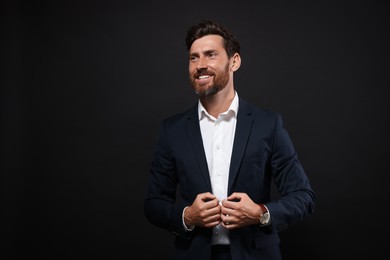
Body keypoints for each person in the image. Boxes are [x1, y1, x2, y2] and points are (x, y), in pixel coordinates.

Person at [144, 19, 315, 260]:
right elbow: (153, 203)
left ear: (234, 61)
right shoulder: (172, 130)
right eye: (194, 57)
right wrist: (187, 217)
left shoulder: (268, 124)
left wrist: (260, 213)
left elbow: (303, 196)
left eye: (210, 55)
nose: (200, 65)